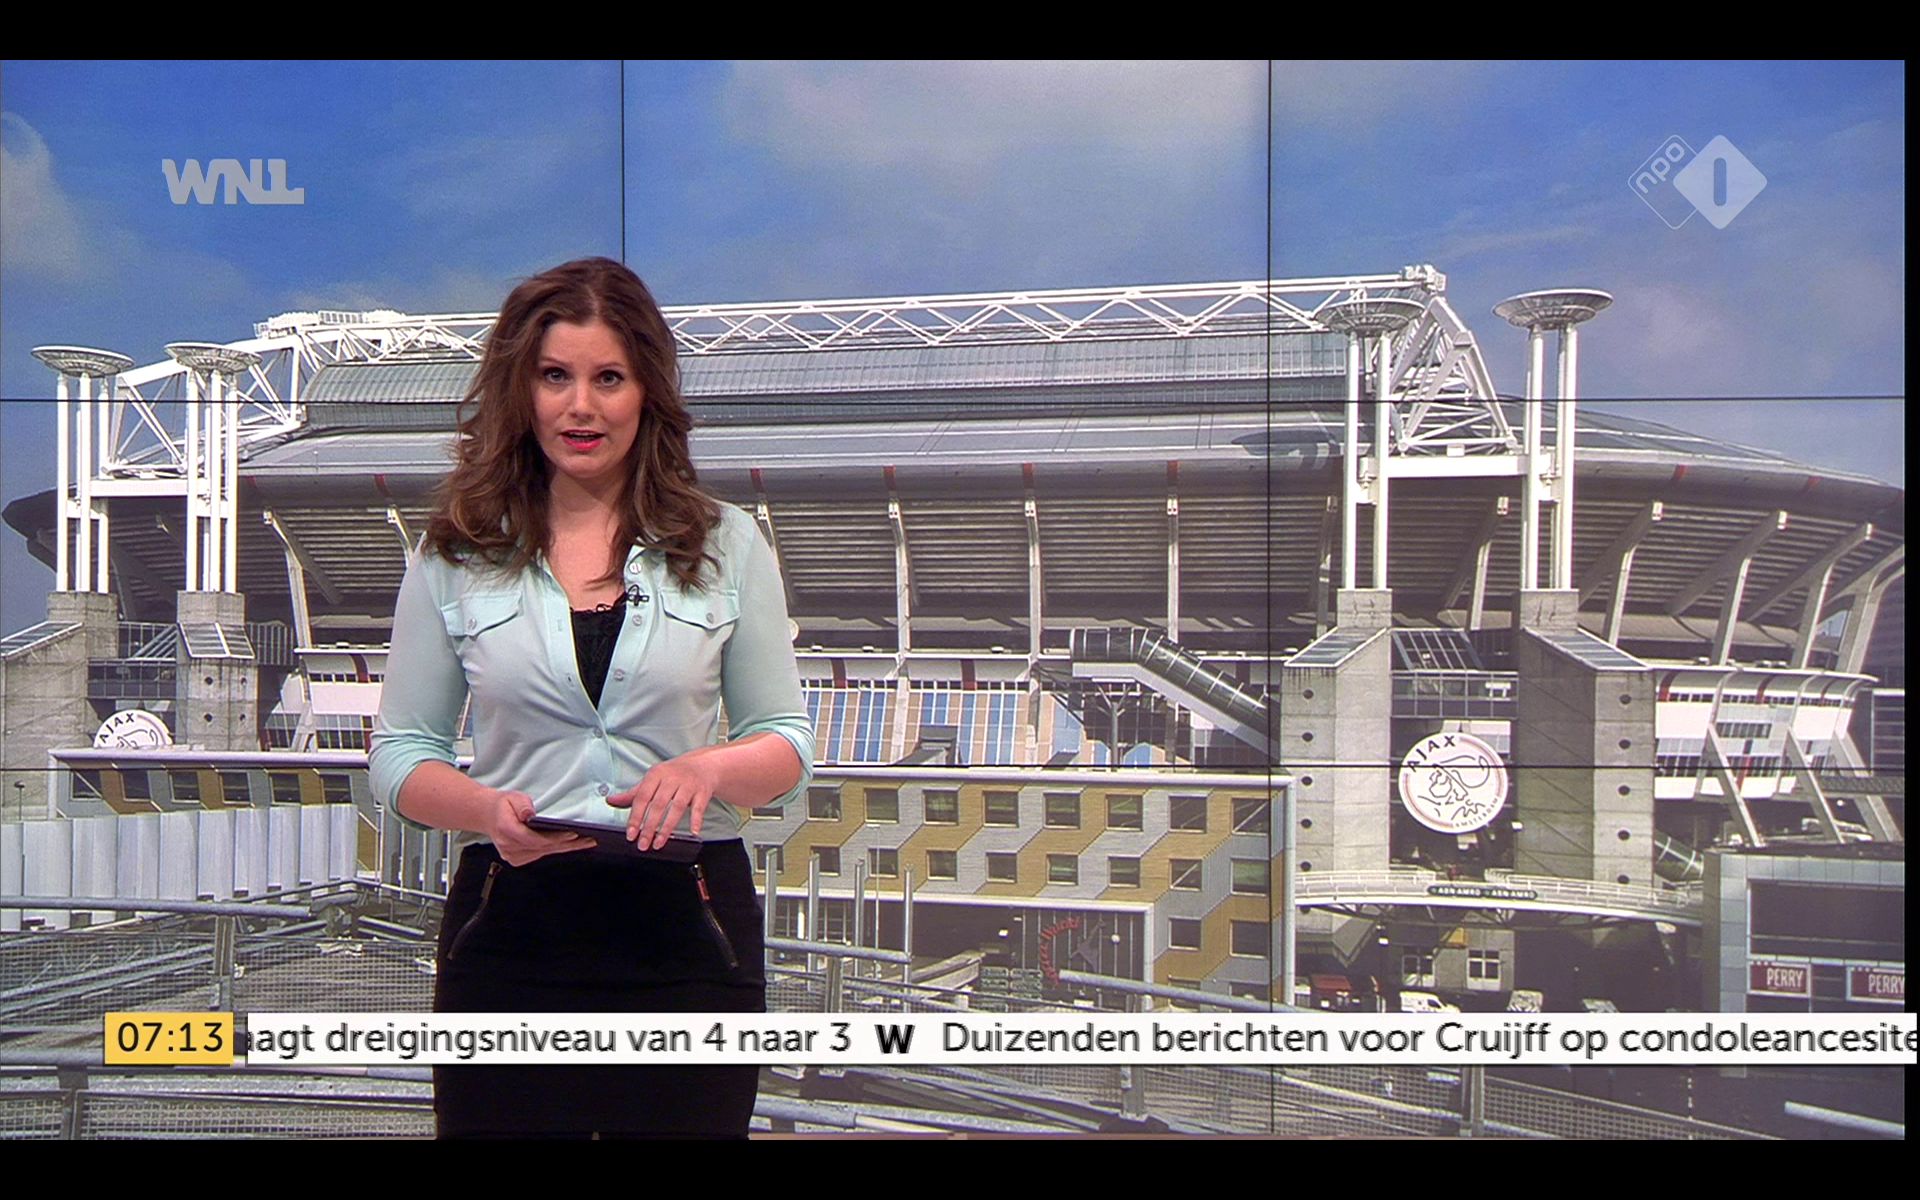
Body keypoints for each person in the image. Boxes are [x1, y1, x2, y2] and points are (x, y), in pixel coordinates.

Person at [368, 256, 815, 1138]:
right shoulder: (455, 553)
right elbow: (400, 755)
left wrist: (707, 770)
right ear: (520, 390)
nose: (581, 407)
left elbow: (786, 745)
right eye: (555, 377)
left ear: (647, 391)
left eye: (609, 378)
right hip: (511, 930)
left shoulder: (727, 544)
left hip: (690, 929)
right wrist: (484, 809)